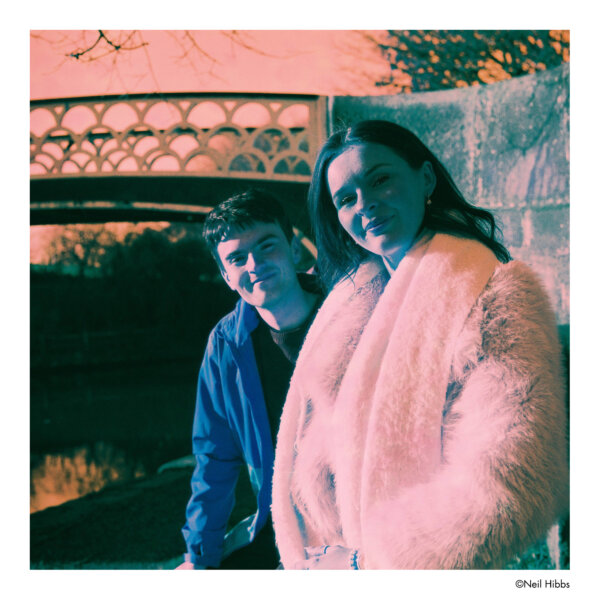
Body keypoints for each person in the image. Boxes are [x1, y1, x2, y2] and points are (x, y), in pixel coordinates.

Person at [271, 120, 569, 569]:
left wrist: (371, 562)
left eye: (380, 179)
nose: (365, 204)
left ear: (426, 178)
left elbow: (511, 484)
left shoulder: (494, 294)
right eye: (346, 199)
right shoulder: (351, 303)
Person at [177, 189, 322, 569]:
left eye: (267, 245)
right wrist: (199, 558)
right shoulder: (226, 345)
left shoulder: (349, 311)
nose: (254, 264)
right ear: (226, 276)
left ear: (294, 249)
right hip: (284, 525)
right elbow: (215, 458)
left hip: (365, 519)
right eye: (237, 258)